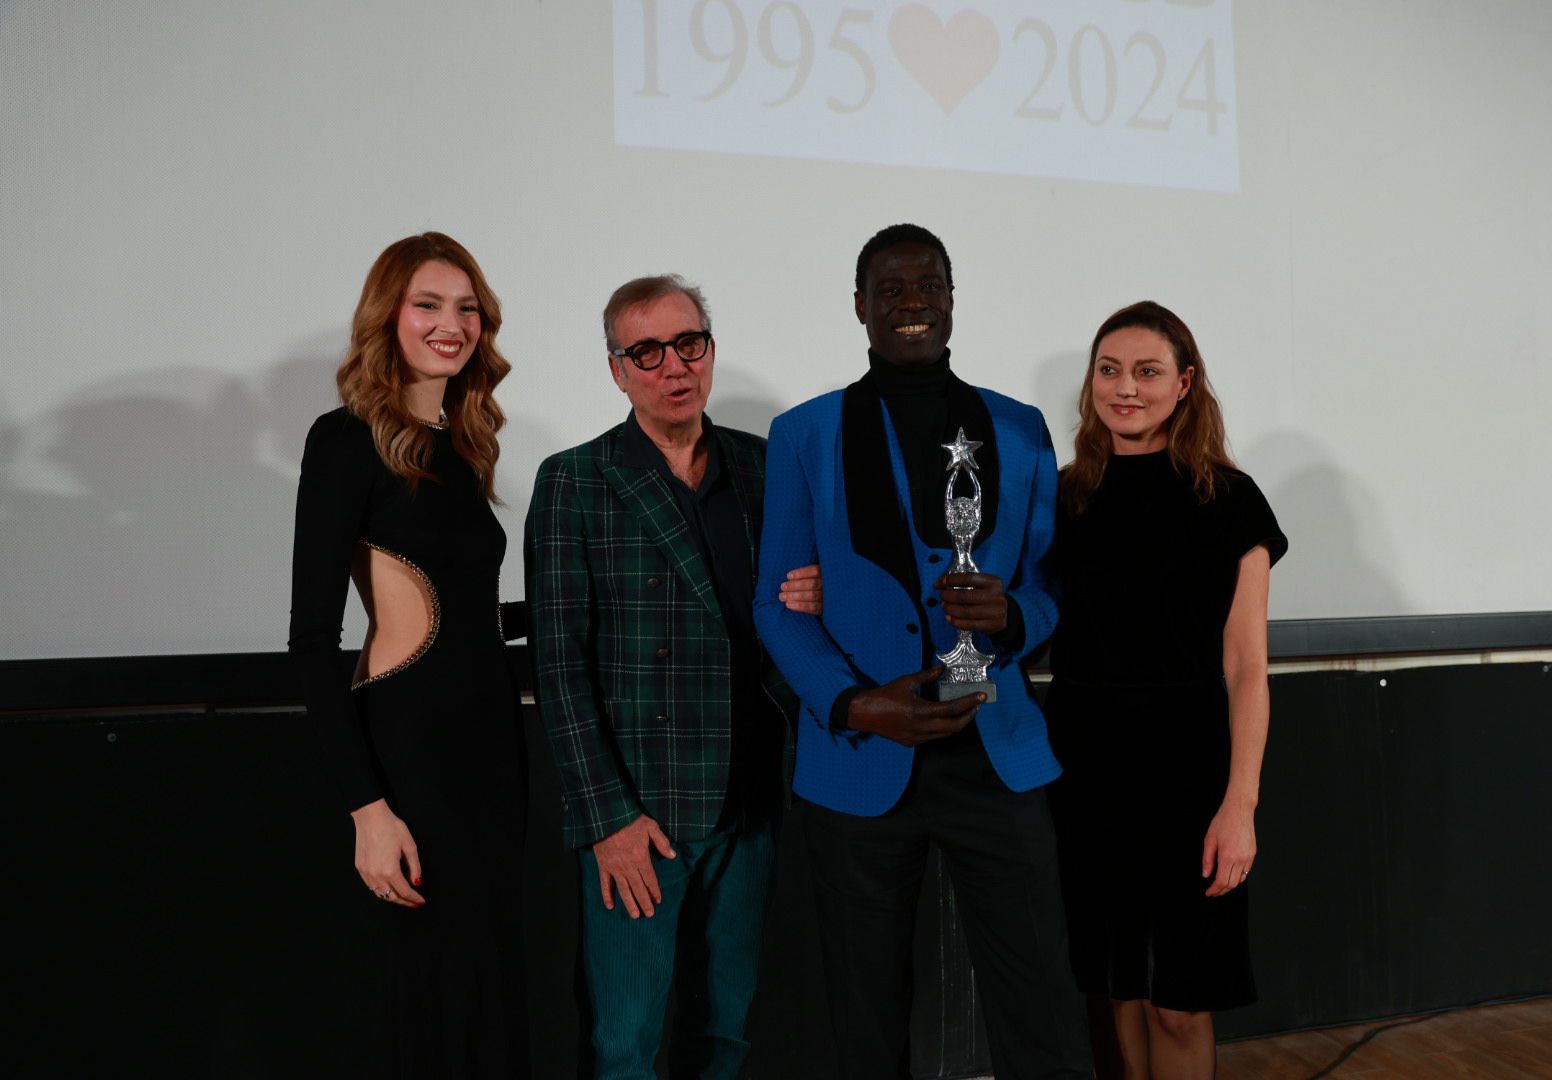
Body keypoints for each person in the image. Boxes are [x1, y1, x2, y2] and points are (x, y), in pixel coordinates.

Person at [752, 224, 1087, 1079]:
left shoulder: (1019, 429)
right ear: (859, 306)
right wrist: (855, 703)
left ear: (951, 299)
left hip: (997, 752)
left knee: (1043, 1005)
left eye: (929, 285)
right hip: (861, 755)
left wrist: (1013, 616)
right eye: (891, 288)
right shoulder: (803, 434)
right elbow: (776, 607)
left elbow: (1051, 586)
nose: (912, 303)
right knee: (864, 1015)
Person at [526, 275, 798, 1080]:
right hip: (640, 817)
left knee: (726, 1035)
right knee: (626, 1046)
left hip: (751, 801)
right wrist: (608, 820)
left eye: (689, 344)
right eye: (647, 352)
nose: (674, 366)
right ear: (617, 371)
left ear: (710, 350)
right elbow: (559, 666)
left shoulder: (764, 467)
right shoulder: (576, 479)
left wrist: (816, 592)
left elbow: (787, 612)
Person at [288, 232, 529, 1076]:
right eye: (428, 305)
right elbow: (312, 642)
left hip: (495, 751)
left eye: (467, 309)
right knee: (439, 989)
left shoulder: (466, 442)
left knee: (490, 988)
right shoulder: (344, 439)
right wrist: (368, 808)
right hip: (412, 757)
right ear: (387, 314)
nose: (450, 325)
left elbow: (469, 615)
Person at [1044, 301, 1286, 1080]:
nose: (1125, 388)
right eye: (1109, 370)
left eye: (1147, 371)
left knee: (1180, 1000)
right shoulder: (1063, 497)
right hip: (1085, 771)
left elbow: (1247, 666)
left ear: (1184, 384)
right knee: (1118, 990)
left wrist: (1240, 805)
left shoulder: (1231, 500)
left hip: (1191, 776)